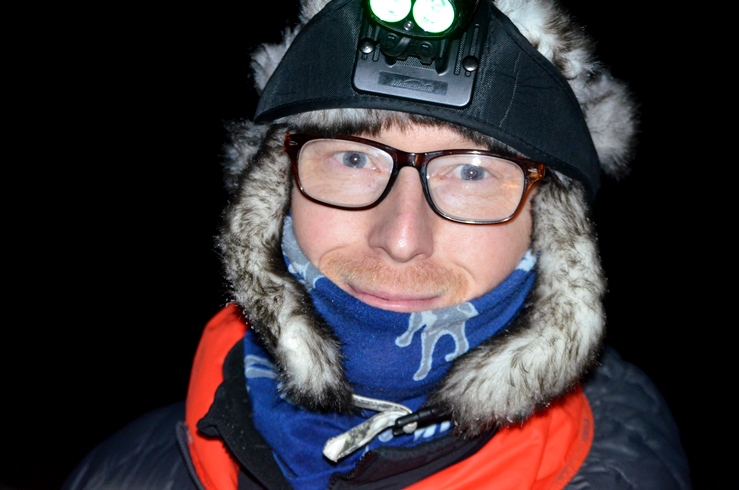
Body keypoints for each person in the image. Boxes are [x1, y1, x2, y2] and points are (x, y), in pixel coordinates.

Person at [62, 0, 691, 488]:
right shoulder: (122, 474)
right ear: (275, 193)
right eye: (354, 158)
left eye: (472, 173)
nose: (401, 238)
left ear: (552, 233)